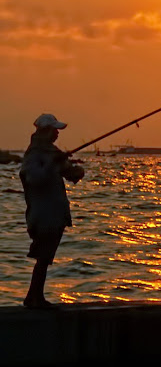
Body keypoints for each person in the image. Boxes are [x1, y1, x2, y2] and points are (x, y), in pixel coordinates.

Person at [19, 114, 85, 309]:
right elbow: (34, 179)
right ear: (44, 131)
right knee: (43, 257)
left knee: (45, 257)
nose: (57, 133)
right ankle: (34, 298)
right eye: (54, 130)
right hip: (42, 215)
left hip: (55, 214)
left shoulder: (51, 152)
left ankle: (34, 297)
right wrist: (52, 164)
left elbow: (73, 175)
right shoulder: (34, 155)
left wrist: (74, 167)